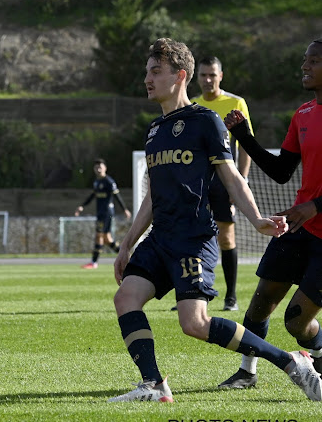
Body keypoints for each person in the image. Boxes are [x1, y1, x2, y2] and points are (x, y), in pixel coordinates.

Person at [109, 37, 321, 403]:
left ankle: (290, 362)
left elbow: (233, 178)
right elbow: (151, 198)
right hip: (160, 238)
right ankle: (154, 385)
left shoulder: (205, 121)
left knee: (194, 324)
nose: (147, 78)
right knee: (126, 297)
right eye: (146, 71)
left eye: (155, 71)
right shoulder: (155, 131)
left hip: (193, 238)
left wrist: (255, 220)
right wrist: (127, 242)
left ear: (180, 76)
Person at [218, 38, 322, 389]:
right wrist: (244, 137)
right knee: (260, 304)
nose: (305, 66)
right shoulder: (304, 113)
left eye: (314, 61)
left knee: (296, 322)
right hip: (299, 227)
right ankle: (247, 372)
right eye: (304, 60)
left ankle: (318, 356)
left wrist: (316, 206)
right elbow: (281, 172)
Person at [192, 56, 253, 311]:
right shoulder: (192, 105)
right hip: (197, 183)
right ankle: (194, 292)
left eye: (212, 75)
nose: (208, 80)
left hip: (223, 180)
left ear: (221, 76)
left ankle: (231, 296)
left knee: (226, 237)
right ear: (197, 77)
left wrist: (240, 181)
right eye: (203, 75)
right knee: (192, 236)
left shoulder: (236, 102)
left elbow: (246, 145)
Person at [74, 158, 131, 269]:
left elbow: (116, 195)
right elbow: (92, 196)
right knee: (107, 239)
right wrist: (82, 206)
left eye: (100, 167)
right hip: (100, 213)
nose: (98, 169)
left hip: (106, 213)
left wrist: (124, 209)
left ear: (105, 168)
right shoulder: (97, 182)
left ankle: (94, 262)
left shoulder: (109, 181)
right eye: (96, 167)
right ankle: (128, 258)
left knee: (98, 236)